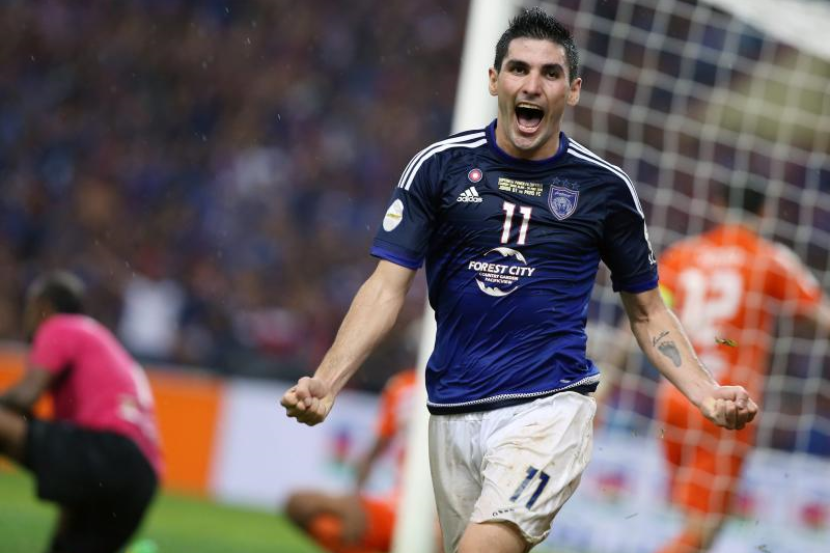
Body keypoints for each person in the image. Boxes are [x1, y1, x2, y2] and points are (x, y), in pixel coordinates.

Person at [280, 8, 757, 553]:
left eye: (550, 73)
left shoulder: (604, 189)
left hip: (547, 408)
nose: (532, 85)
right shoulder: (438, 167)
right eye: (518, 69)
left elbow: (648, 312)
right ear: (493, 80)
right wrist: (327, 381)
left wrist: (707, 393)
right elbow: (387, 287)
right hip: (452, 412)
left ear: (572, 90)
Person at [650, 182, 830, 553]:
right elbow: (819, 314)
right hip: (727, 405)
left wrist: (609, 379)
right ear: (765, 213)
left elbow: (645, 317)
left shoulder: (682, 255)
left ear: (717, 206)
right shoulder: (768, 257)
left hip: (675, 399)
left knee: (703, 523)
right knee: (701, 530)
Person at [0, 271, 162, 553]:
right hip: (143, 479)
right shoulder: (100, 339)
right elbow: (75, 464)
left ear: (43, 307)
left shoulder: (59, 326)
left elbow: (26, 395)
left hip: (109, 449)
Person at [284, 369, 418, 553]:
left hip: (447, 511)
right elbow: (375, 450)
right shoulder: (403, 386)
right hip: (400, 506)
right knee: (299, 504)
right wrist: (352, 499)